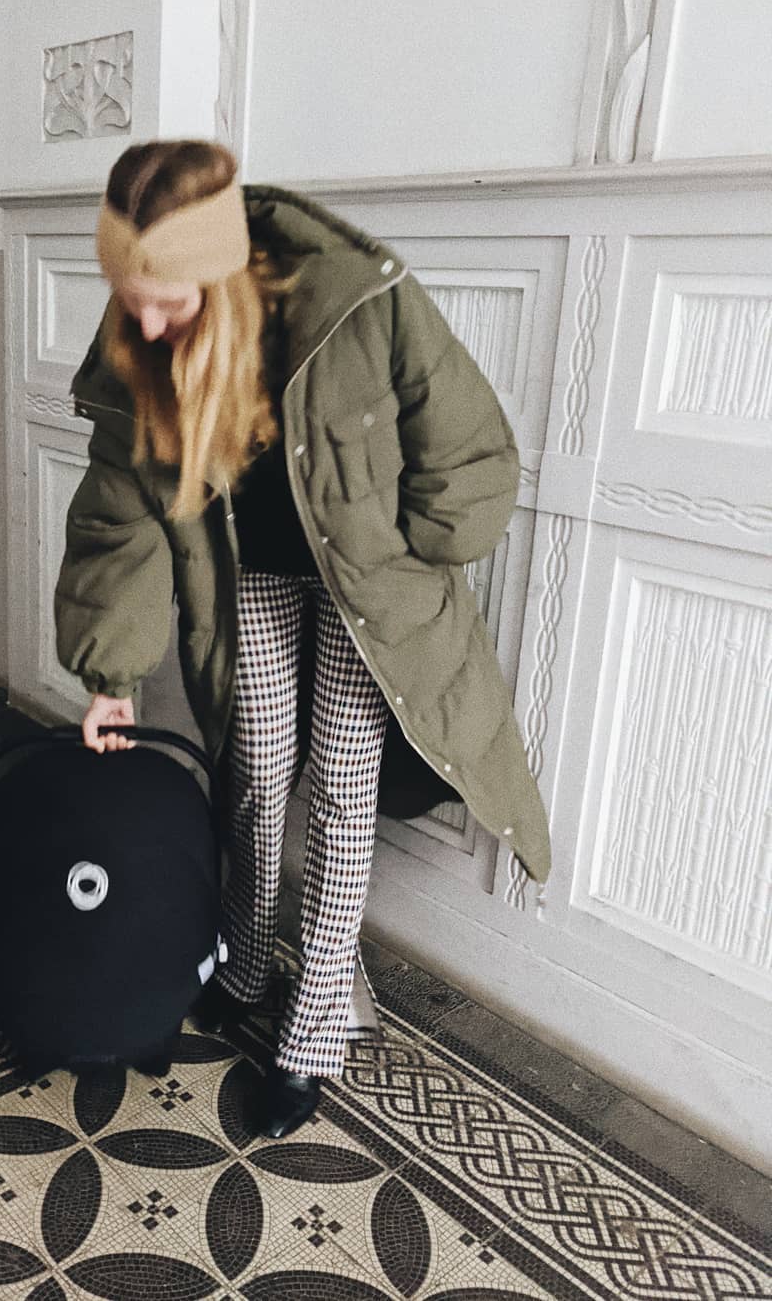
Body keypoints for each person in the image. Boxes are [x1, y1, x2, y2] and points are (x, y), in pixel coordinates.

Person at [55, 140, 550, 1139]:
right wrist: (110, 676)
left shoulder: (357, 297)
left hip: (366, 585)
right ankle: (242, 961)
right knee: (253, 764)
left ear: (218, 273)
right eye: (129, 298)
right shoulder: (141, 343)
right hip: (253, 576)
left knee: (341, 786)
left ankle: (315, 1026)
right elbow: (120, 517)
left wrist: (418, 549)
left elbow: (467, 445)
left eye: (165, 300)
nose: (142, 322)